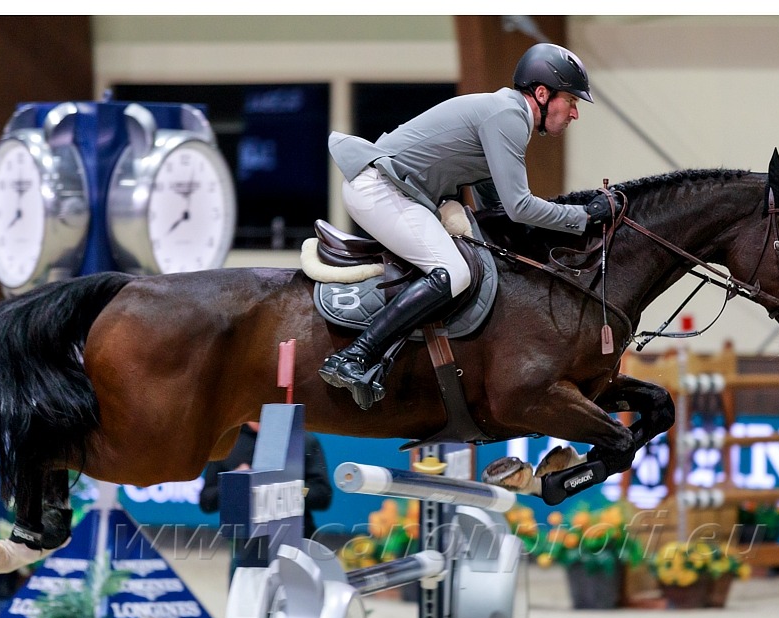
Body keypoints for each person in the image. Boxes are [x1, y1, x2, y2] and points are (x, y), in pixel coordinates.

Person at [319, 42, 616, 410]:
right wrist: (585, 217)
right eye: (571, 102)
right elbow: (519, 206)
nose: (574, 113)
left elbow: (496, 207)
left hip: (398, 190)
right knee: (453, 273)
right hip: (379, 188)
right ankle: (355, 356)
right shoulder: (508, 117)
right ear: (542, 93)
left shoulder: (507, 114)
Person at [198, 422, 333, 541]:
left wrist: (283, 490)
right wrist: (233, 483)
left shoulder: (301, 440)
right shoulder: (228, 442)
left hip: (297, 539)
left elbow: (322, 495)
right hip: (245, 545)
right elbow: (207, 501)